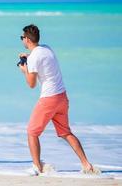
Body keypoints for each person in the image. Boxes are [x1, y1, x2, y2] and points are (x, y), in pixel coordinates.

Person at [18, 24, 100, 175]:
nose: (22, 40)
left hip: (49, 99)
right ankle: (86, 165)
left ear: (28, 39)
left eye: (22, 37)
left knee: (32, 132)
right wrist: (28, 58)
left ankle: (36, 167)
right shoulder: (46, 48)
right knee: (65, 133)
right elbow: (41, 60)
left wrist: (25, 70)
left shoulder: (34, 57)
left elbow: (31, 84)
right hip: (62, 97)